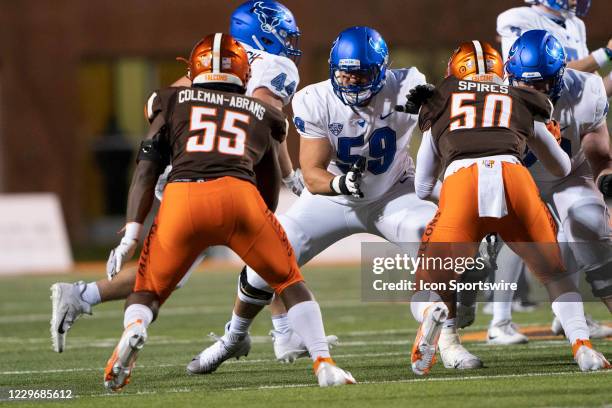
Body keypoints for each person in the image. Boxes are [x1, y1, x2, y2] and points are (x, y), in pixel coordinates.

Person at [186, 25, 483, 374]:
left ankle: (447, 339)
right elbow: (311, 172)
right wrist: (341, 183)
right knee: (266, 255)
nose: (351, 81)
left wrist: (435, 104)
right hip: (334, 196)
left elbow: (451, 125)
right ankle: (233, 337)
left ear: (382, 70)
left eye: (361, 75)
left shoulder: (406, 85)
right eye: (345, 73)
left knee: (433, 238)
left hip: (393, 192)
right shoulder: (315, 99)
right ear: (333, 68)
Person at [103, 33, 356, 391]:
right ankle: (324, 363)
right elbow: (268, 182)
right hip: (239, 197)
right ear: (243, 71)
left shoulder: (169, 98)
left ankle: (135, 329)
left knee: (148, 291)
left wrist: (131, 233)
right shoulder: (263, 111)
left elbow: (146, 167)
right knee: (290, 282)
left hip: (183, 197)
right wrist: (262, 225)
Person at [50, 0, 305, 354]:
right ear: (261, 31)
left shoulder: (218, 56)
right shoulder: (275, 66)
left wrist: (182, 138)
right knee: (267, 247)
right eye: (282, 32)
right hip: (227, 171)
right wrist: (289, 174)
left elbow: (157, 102)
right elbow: (267, 122)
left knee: (178, 264)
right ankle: (282, 332)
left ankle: (82, 295)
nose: (289, 40)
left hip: (187, 163)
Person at [405, 38, 610, 375]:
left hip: (460, 181)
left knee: (432, 281)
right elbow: (560, 167)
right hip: (515, 180)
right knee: (555, 275)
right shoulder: (520, 98)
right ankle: (583, 347)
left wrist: (462, 212)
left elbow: (423, 186)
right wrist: (553, 137)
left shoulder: (438, 101)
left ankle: (434, 317)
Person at [481, 29, 612, 345]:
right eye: (526, 83)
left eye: (541, 84)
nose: (533, 91)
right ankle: (473, 327)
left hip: (570, 175)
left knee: (592, 228)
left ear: (561, 76)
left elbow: (598, 152)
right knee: (497, 236)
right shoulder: (491, 94)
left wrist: (606, 180)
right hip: (518, 177)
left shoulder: (586, 91)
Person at [497, 0, 612, 97]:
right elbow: (542, 75)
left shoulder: (576, 25)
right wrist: (606, 53)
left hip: (569, 115)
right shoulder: (519, 18)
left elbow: (597, 93)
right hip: (534, 114)